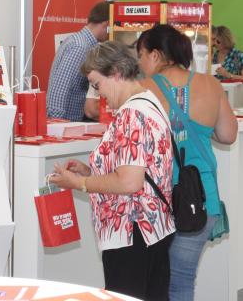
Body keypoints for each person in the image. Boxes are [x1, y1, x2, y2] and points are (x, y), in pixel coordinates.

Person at [50, 41, 175, 301]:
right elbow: (138, 164)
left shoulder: (131, 114)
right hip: (153, 228)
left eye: (98, 85)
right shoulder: (149, 102)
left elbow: (129, 182)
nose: (98, 94)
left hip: (132, 233)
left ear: (116, 72)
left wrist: (80, 184)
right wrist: (90, 171)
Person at [136, 24, 238, 301]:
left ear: (156, 55)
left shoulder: (143, 90)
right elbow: (228, 135)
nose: (141, 62)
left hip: (158, 201)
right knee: (182, 281)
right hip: (201, 198)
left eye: (142, 55)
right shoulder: (210, 84)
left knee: (157, 282)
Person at [47, 1, 110, 121]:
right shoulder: (80, 47)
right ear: (106, 24)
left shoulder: (78, 41)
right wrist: (56, 122)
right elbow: (60, 86)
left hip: (70, 123)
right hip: (66, 123)